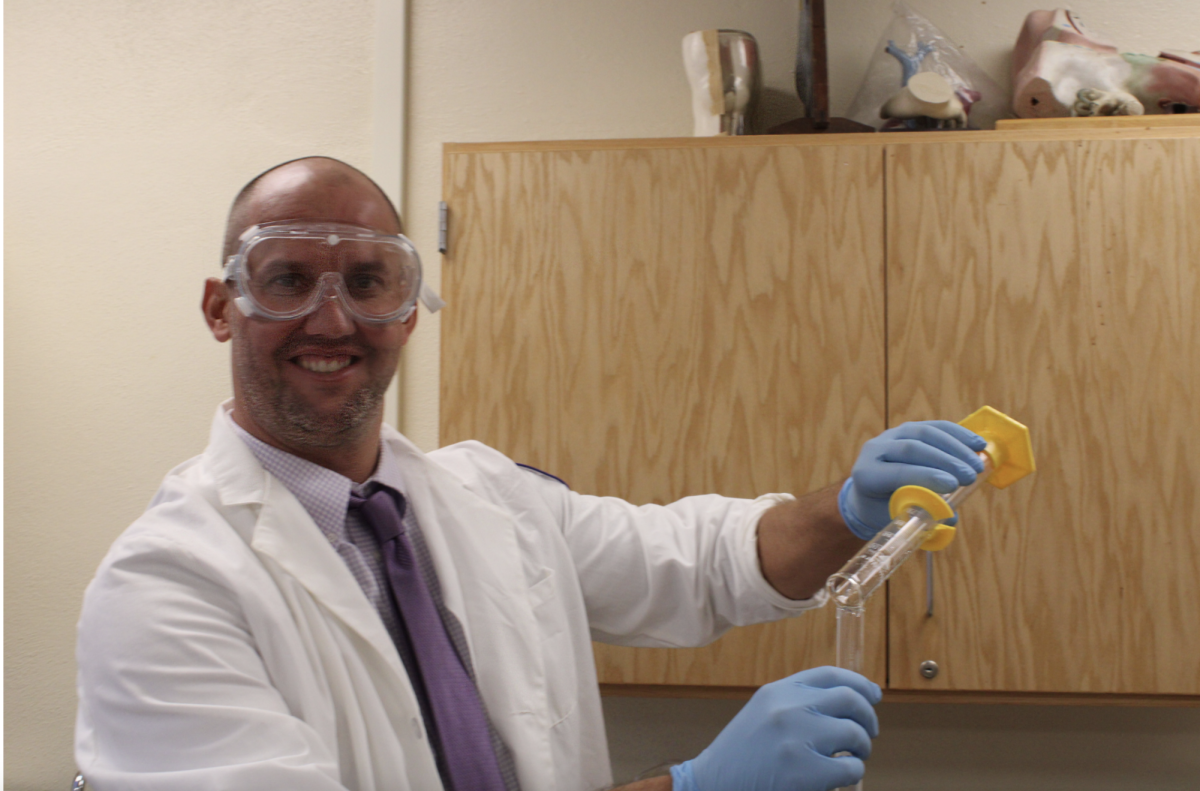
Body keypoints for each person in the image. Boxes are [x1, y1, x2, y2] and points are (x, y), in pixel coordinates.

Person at [75, 156, 989, 791]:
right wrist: (693, 783)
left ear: (409, 312)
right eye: (286, 280)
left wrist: (849, 504)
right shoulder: (166, 586)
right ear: (219, 307)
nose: (333, 318)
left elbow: (703, 559)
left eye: (368, 280)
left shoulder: (488, 499)